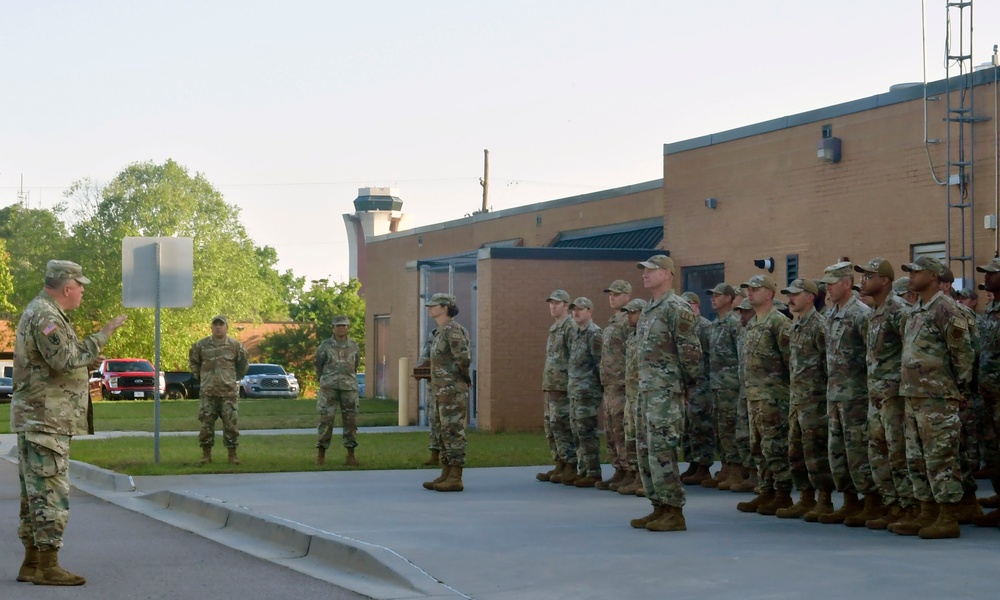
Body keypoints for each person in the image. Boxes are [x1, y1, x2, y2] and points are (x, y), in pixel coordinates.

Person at [12, 260, 127, 586]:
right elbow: (62, 359)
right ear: (67, 287)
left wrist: (85, 355)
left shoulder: (44, 312)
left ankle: (32, 562)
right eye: (80, 285)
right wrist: (101, 337)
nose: (82, 291)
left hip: (40, 417)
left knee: (34, 493)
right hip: (46, 418)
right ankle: (48, 567)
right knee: (50, 491)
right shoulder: (47, 316)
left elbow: (60, 357)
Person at [890, 256, 974, 538]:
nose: (911, 276)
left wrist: (960, 388)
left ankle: (948, 517)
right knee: (916, 458)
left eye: (917, 272)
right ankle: (926, 512)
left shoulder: (946, 308)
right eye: (910, 271)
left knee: (941, 458)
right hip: (914, 396)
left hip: (938, 397)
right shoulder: (917, 309)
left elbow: (962, 354)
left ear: (934, 276)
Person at [629, 255, 703, 532]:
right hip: (647, 391)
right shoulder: (649, 309)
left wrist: (684, 386)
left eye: (651, 270)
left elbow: (691, 353)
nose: (645, 275)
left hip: (666, 392)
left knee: (663, 450)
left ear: (667, 274)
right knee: (646, 450)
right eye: (644, 271)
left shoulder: (676, 308)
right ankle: (658, 505)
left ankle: (674, 510)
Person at [855, 258, 913, 529]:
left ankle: (908, 507)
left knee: (898, 452)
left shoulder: (899, 310)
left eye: (870, 276)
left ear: (885, 281)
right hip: (875, 395)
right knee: (878, 452)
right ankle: (891, 505)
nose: (864, 280)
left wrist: (899, 388)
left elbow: (910, 352)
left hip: (894, 396)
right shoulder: (874, 312)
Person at [817, 261, 877, 526]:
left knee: (858, 451)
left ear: (846, 283)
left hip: (857, 397)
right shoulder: (831, 315)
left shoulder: (861, 315)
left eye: (832, 281)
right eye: (826, 282)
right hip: (835, 396)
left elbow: (872, 356)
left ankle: (872, 502)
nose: (828, 287)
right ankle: (850, 502)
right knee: (837, 452)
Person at [736, 274, 793, 515]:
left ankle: (783, 493)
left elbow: (791, 361)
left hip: (773, 397)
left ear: (769, 294)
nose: (749, 293)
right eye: (748, 289)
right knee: (757, 446)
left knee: (774, 445)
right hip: (754, 396)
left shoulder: (778, 323)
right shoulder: (752, 324)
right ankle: (766, 490)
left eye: (755, 289)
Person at [778, 278, 834, 520]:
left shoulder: (819, 326)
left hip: (815, 401)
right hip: (796, 400)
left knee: (816, 452)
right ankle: (805, 497)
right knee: (796, 451)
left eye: (796, 294)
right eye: (789, 294)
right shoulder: (795, 326)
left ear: (810, 297)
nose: (791, 299)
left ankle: (824, 499)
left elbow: (828, 366)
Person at [421, 293, 472, 492]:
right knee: (442, 432)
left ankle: (456, 476)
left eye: (433, 305)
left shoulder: (453, 330)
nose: (430, 308)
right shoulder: (438, 332)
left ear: (445, 307)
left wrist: (460, 380)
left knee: (453, 431)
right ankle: (445, 471)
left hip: (451, 390)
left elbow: (464, 358)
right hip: (439, 390)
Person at [190, 315, 249, 466]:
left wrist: (233, 377)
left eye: (221, 325)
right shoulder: (201, 345)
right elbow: (194, 361)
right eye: (215, 325)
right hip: (208, 393)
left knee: (231, 425)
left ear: (226, 327)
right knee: (206, 426)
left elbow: (243, 364)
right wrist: (200, 377)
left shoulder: (235, 346)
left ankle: (232, 455)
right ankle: (206, 455)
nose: (218, 327)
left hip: (228, 393)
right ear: (211, 327)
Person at [703, 283, 742, 491]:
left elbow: (741, 354)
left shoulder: (734, 323)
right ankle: (726, 466)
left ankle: (736, 469)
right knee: (719, 429)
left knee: (730, 428)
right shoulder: (715, 325)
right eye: (712, 295)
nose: (713, 298)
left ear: (729, 298)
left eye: (718, 295)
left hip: (731, 386)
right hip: (717, 385)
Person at [538, 289, 577, 483]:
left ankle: (571, 463)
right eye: (551, 303)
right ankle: (560, 461)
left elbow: (575, 358)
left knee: (563, 425)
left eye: (557, 303)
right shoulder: (554, 328)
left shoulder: (570, 327)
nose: (553, 306)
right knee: (552, 426)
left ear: (566, 306)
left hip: (563, 386)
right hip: (551, 385)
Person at [597, 280, 632, 490]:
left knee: (622, 429)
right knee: (610, 430)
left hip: (622, 385)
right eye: (610, 294)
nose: (612, 297)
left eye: (617, 294)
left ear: (627, 296)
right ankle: (618, 469)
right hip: (609, 385)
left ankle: (629, 470)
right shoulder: (612, 322)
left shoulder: (629, 321)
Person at [973, 257, 1000, 526]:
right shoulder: (991, 309)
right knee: (991, 449)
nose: (988, 278)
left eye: (993, 274)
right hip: (988, 393)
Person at [567, 296, 604, 487]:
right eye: (574, 309)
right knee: (576, 432)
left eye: (580, 309)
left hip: (588, 393)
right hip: (575, 392)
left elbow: (600, 364)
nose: (576, 312)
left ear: (590, 311)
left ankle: (593, 471)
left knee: (587, 432)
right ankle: (583, 470)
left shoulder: (594, 334)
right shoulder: (576, 333)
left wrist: (598, 389)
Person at [315, 315, 361, 466]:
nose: (342, 328)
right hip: (329, 387)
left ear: (348, 327)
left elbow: (355, 364)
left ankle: (351, 454)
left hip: (349, 388)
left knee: (351, 421)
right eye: (339, 326)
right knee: (326, 420)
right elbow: (318, 364)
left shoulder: (354, 345)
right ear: (333, 328)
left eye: (345, 325)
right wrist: (324, 380)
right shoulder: (325, 345)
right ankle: (321, 454)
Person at [680, 291, 715, 485]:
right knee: (689, 427)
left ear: (696, 307)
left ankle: (704, 465)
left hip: (702, 384)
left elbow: (712, 357)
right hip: (688, 385)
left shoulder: (705, 327)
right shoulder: (684, 327)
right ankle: (693, 462)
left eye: (689, 305)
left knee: (701, 425)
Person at [615, 298, 647, 495]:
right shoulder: (632, 336)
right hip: (631, 394)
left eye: (633, 313)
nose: (629, 317)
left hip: (643, 396)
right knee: (631, 436)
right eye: (627, 313)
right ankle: (635, 475)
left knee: (643, 439)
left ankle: (646, 479)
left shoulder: (647, 336)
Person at [416, 326, 439, 465]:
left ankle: (450, 458)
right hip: (433, 386)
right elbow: (424, 356)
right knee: (433, 418)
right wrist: (422, 365)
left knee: (449, 424)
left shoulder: (457, 333)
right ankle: (434, 453)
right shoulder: (434, 333)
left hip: (449, 387)